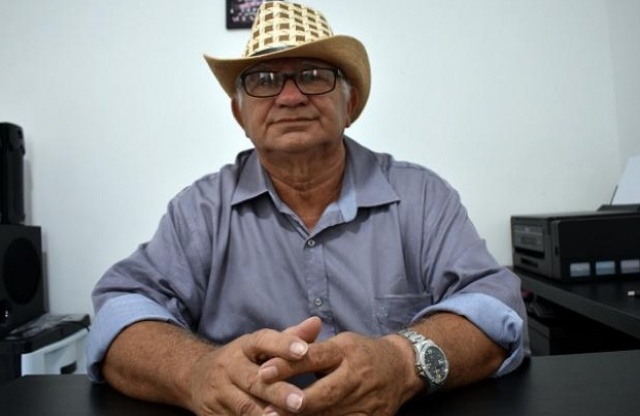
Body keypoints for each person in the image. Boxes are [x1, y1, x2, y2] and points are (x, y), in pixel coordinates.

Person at [87, 2, 529, 415]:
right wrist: (196, 372)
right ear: (240, 116)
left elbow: (496, 307)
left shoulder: (422, 197)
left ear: (349, 105)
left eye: (313, 75)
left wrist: (401, 361)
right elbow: (119, 315)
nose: (290, 97)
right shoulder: (199, 211)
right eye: (264, 80)